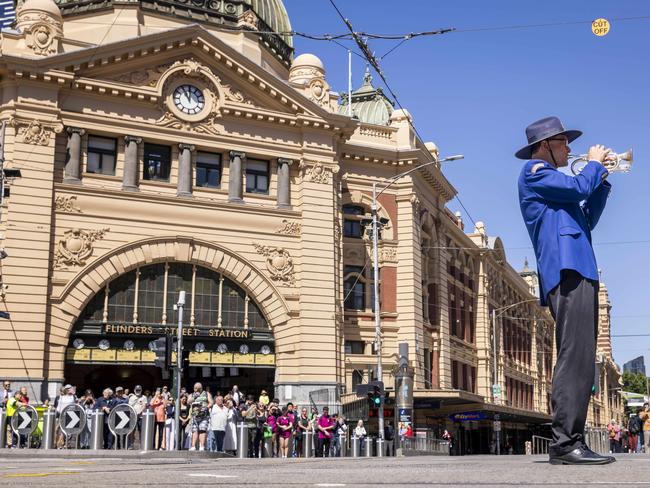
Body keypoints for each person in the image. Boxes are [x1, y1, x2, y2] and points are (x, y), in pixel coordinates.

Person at [517, 116, 614, 466]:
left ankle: (572, 440)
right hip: (566, 269)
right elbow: (576, 189)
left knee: (583, 358)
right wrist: (593, 165)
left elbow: (586, 217)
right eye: (564, 143)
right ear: (545, 146)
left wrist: (601, 180)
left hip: (580, 268)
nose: (569, 149)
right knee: (574, 356)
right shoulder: (535, 173)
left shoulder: (558, 183)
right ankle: (564, 442)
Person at [188, 382, 212, 451]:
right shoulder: (192, 394)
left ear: (201, 388)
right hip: (195, 415)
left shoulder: (206, 394)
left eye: (197, 388)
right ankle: (193, 446)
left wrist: (206, 407)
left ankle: (202, 446)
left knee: (202, 430)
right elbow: (188, 402)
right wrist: (194, 397)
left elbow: (211, 402)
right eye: (195, 388)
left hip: (204, 415)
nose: (195, 389)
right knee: (194, 430)